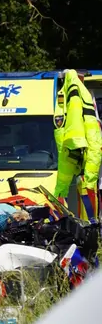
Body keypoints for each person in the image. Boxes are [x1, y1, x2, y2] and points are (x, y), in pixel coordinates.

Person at [53, 69, 102, 220]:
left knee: (65, 188)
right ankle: (90, 225)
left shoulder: (67, 93)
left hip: (70, 149)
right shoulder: (76, 92)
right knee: (87, 185)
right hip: (81, 146)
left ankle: (83, 224)